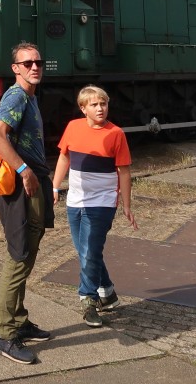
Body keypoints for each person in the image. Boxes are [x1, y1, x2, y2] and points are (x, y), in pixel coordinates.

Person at [0, 42, 55, 365]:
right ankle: (5, 334)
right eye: (27, 63)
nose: (34, 67)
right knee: (19, 257)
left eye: (38, 62)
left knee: (28, 252)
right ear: (15, 68)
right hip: (22, 187)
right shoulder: (16, 96)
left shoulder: (30, 96)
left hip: (35, 182)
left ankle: (18, 320)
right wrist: (24, 170)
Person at [50, 86, 137, 327]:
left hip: (102, 202)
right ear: (83, 108)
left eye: (103, 104)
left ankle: (88, 300)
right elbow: (64, 157)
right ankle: (107, 293)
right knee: (86, 251)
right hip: (75, 200)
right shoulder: (73, 127)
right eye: (94, 105)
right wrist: (55, 187)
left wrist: (126, 205)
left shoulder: (116, 134)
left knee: (89, 251)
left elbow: (124, 171)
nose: (100, 109)